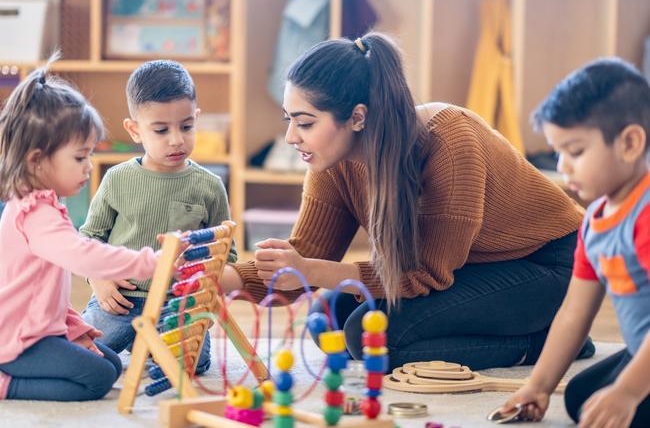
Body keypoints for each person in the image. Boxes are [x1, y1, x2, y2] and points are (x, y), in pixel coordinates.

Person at [218, 32, 592, 370]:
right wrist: (224, 279)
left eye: (305, 123)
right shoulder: (332, 162)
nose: (290, 137)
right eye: (289, 120)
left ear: (357, 117)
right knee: (329, 320)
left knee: (376, 341)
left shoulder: (450, 144)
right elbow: (304, 257)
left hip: (551, 265)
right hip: (471, 265)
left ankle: (547, 342)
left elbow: (424, 274)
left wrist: (311, 270)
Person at [498, 58, 650, 428]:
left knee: (622, 405)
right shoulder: (595, 220)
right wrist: (538, 386)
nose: (563, 167)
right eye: (558, 151)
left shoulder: (645, 214)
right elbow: (573, 313)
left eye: (576, 151)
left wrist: (629, 391)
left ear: (629, 143)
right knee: (585, 399)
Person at [0, 56, 160, 401]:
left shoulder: (41, 204)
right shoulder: (34, 214)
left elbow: (42, 288)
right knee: (98, 378)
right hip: (18, 339)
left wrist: (73, 327)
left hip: (39, 330)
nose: (89, 167)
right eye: (79, 158)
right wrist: (150, 263)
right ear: (37, 160)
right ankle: (5, 383)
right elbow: (85, 258)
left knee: (112, 364)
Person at [81, 60, 237, 376]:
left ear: (197, 119)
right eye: (161, 130)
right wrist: (99, 279)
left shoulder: (210, 186)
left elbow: (227, 256)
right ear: (135, 130)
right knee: (81, 356)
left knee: (187, 367)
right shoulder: (117, 178)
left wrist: (200, 291)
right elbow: (87, 239)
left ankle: (147, 345)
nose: (176, 139)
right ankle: (137, 341)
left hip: (177, 306)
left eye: (186, 126)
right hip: (120, 300)